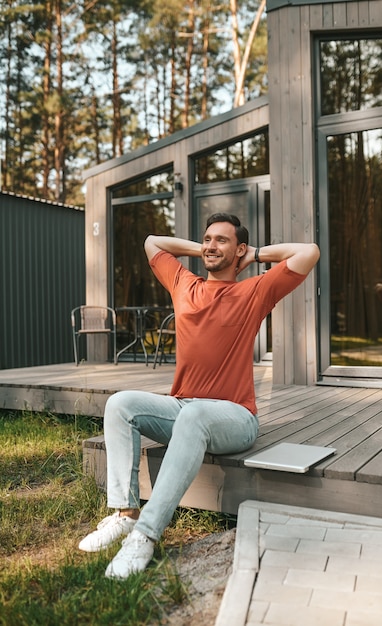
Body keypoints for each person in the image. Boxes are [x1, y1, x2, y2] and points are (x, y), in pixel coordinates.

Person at [78, 212, 320, 579]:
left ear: (239, 249)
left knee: (193, 417)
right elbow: (151, 243)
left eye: (221, 240)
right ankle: (126, 514)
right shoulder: (183, 283)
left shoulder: (254, 292)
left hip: (235, 416)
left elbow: (309, 251)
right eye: (207, 239)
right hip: (183, 406)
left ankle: (145, 535)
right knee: (119, 404)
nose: (210, 245)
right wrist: (206, 249)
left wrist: (251, 255)